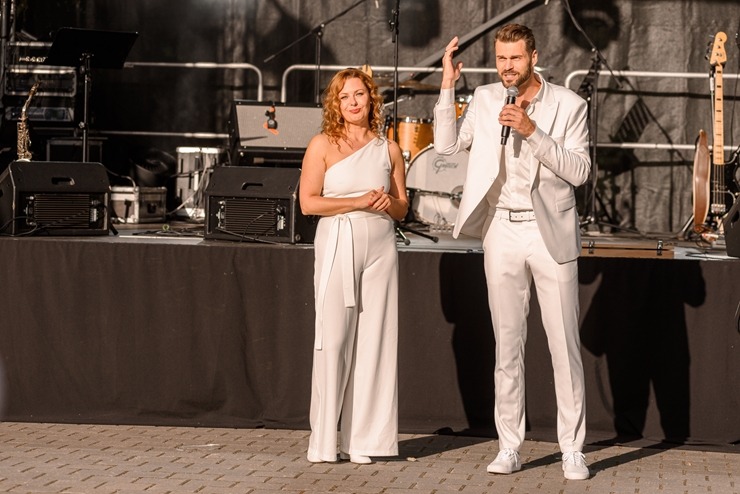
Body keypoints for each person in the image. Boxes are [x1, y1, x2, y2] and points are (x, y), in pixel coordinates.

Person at [433, 24, 592, 480]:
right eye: (501, 59)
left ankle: (572, 449)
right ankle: (509, 445)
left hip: (549, 233)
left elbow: (579, 171)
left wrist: (533, 131)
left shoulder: (569, 105)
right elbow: (446, 147)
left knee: (564, 345)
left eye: (515, 59)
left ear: (534, 57)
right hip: (501, 227)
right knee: (507, 345)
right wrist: (448, 84)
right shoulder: (485, 99)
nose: (507, 67)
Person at [299, 67, 409, 465]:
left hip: (381, 245)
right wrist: (358, 201)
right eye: (345, 97)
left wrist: (385, 204)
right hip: (338, 242)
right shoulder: (322, 144)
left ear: (371, 98)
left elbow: (401, 207)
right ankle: (325, 443)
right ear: (336, 103)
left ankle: (367, 442)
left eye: (359, 94)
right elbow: (308, 203)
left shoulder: (389, 148)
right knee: (334, 341)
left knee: (377, 341)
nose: (353, 102)